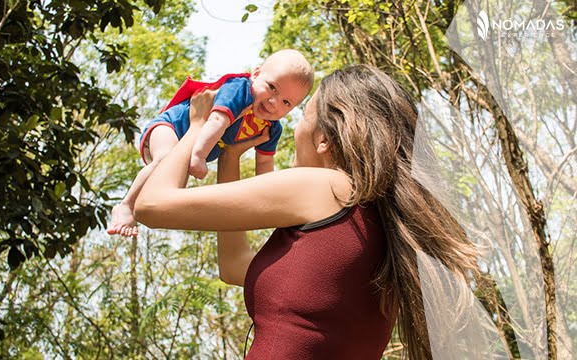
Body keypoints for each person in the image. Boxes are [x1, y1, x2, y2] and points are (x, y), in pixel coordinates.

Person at [133, 65, 480, 359]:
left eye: (302, 115)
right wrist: (231, 156)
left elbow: (152, 206)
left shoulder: (326, 187)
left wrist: (196, 127)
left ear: (324, 139)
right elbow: (235, 266)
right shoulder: (375, 221)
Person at [107, 49, 314, 237]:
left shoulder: (271, 128)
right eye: (272, 88)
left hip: (191, 147)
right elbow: (216, 121)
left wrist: (270, 200)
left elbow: (264, 165)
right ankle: (126, 205)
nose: (274, 102)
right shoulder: (240, 90)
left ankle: (144, 208)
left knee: (172, 187)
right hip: (172, 126)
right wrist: (199, 156)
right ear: (256, 74)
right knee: (164, 159)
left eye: (286, 102)